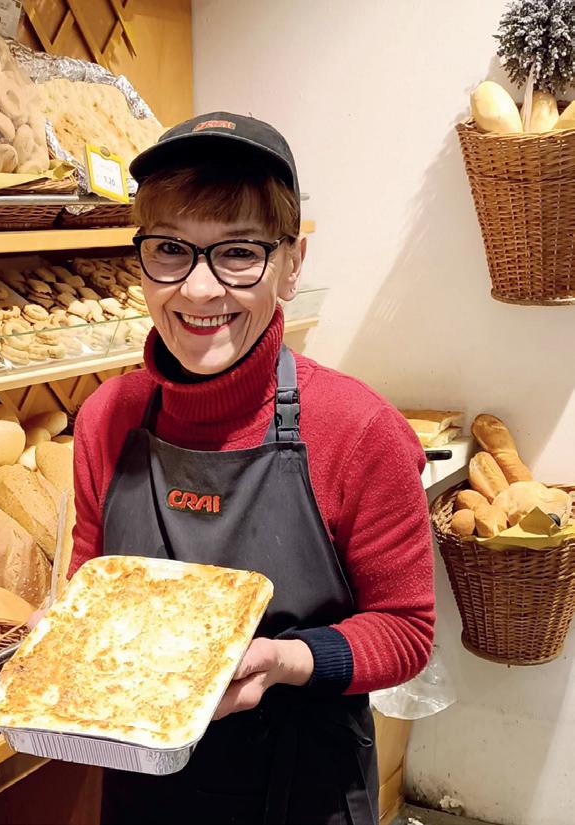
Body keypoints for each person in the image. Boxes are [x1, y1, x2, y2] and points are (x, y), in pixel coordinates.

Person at [71, 111, 435, 825]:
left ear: (292, 265)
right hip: (145, 789)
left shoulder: (360, 430)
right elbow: (90, 592)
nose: (199, 289)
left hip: (305, 786)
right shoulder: (106, 419)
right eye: (170, 249)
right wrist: (66, 633)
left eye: (238, 252)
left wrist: (286, 661)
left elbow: (406, 630)